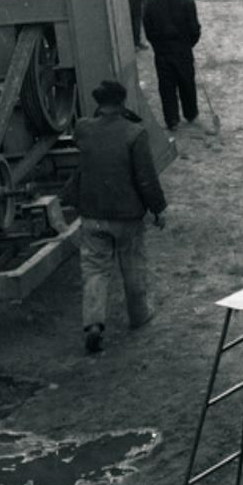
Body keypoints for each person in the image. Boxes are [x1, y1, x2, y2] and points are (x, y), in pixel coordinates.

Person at [70, 79, 167, 354]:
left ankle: (93, 325)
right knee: (132, 264)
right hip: (128, 216)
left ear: (98, 103)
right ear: (123, 102)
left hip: (92, 215)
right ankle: (139, 315)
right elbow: (146, 178)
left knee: (95, 270)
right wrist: (158, 209)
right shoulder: (135, 133)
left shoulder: (83, 128)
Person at [143, 0, 201, 131]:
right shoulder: (187, 1)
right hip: (182, 50)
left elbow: (148, 28)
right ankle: (190, 113)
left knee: (166, 85)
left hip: (162, 51)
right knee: (187, 82)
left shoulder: (152, 1)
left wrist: (157, 45)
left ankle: (172, 120)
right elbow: (194, 29)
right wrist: (189, 45)